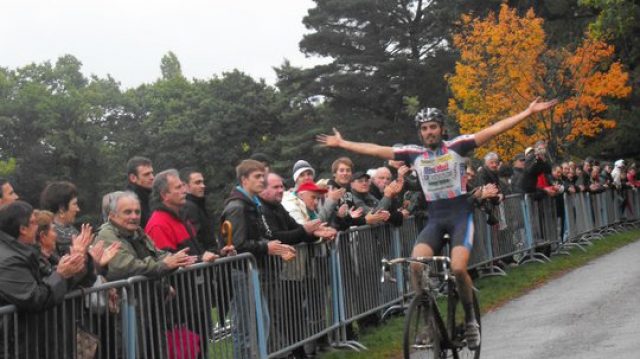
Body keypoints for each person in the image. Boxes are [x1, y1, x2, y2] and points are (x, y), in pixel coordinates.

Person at [318, 97, 557, 349]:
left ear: (441, 128)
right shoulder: (414, 153)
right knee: (415, 265)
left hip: (459, 216)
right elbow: (376, 149)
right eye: (424, 128)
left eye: (433, 126)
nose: (429, 132)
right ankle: (426, 320)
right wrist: (343, 143)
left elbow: (494, 129)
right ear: (420, 132)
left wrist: (527, 111)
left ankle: (471, 319)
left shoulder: (457, 146)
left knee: (458, 268)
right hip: (435, 219)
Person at [39, 181, 81, 256]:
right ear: (62, 209)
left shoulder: (73, 232)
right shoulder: (51, 241)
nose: (78, 209)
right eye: (74, 204)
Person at [126, 156, 155, 228]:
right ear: (133, 178)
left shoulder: (153, 196)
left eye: (152, 173)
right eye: (146, 174)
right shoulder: (127, 202)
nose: (152, 177)